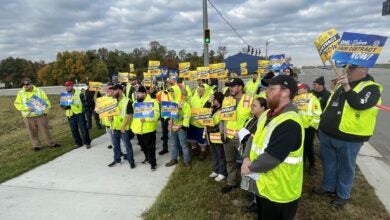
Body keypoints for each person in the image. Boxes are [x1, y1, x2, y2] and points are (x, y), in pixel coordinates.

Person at [313, 65, 382, 209]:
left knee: (346, 167)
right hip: (328, 133)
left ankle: (343, 194)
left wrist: (346, 87)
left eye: (351, 69)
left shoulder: (372, 88)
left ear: (363, 70)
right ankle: (328, 187)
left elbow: (359, 104)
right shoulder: (343, 84)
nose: (347, 71)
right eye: (346, 68)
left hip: (349, 137)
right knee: (329, 163)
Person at [241, 75, 304, 220]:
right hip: (264, 186)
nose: (266, 92)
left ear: (285, 92)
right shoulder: (266, 115)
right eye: (266, 88)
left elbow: (272, 158)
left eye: (271, 88)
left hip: (280, 193)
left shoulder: (290, 122)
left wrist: (249, 167)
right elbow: (252, 137)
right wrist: (246, 158)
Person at [221, 78, 253, 194]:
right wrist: (223, 134)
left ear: (240, 87)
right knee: (230, 161)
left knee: (247, 162)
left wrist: (246, 136)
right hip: (228, 137)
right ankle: (231, 182)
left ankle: (248, 186)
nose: (231, 88)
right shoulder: (227, 100)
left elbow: (254, 120)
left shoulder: (250, 100)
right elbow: (224, 119)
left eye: (233, 86)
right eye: (230, 86)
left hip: (242, 138)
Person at [14, 78, 60, 151]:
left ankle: (51, 143)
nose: (25, 86)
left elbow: (46, 102)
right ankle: (36, 146)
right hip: (28, 116)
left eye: (27, 84)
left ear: (31, 84)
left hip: (40, 115)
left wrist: (45, 112)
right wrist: (27, 108)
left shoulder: (39, 91)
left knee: (45, 130)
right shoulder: (20, 93)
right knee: (32, 132)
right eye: (23, 84)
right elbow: (17, 104)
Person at [240, 97, 268, 213]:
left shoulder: (263, 121)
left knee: (258, 180)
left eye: (254, 105)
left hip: (257, 158)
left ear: (263, 108)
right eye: (251, 105)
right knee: (252, 179)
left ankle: (257, 204)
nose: (251, 107)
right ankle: (254, 197)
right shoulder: (253, 119)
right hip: (249, 153)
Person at [293, 83, 322, 175]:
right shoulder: (295, 99)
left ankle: (312, 165)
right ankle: (302, 164)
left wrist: (312, 125)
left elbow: (317, 113)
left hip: (309, 127)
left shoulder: (313, 98)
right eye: (297, 89)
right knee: (300, 147)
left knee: (308, 147)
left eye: (300, 89)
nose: (298, 90)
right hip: (298, 127)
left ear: (305, 89)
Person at [131, 86, 160, 171]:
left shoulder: (153, 102)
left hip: (149, 129)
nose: (137, 95)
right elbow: (133, 115)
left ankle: (153, 163)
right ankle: (147, 158)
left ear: (144, 93)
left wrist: (146, 119)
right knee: (143, 146)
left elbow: (157, 115)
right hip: (138, 130)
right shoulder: (135, 103)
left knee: (151, 147)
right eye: (136, 93)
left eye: (139, 93)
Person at [107, 84, 135, 169]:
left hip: (124, 128)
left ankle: (131, 161)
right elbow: (110, 113)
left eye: (115, 90)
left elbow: (130, 115)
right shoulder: (113, 101)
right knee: (116, 146)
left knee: (127, 145)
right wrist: (110, 117)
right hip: (115, 127)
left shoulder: (127, 101)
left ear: (120, 91)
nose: (113, 92)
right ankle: (117, 160)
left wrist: (123, 126)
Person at [165, 86, 191, 167]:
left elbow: (187, 115)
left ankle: (187, 161)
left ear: (177, 92)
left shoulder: (183, 103)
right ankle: (174, 159)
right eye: (170, 92)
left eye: (173, 92)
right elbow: (167, 114)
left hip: (181, 127)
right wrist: (167, 120)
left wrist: (183, 126)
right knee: (173, 144)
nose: (171, 93)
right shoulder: (171, 102)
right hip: (172, 126)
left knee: (184, 145)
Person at [61, 80, 91, 149]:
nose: (67, 87)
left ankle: (87, 142)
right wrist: (64, 106)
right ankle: (78, 143)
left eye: (68, 86)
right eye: (66, 86)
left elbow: (85, 103)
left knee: (83, 128)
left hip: (79, 113)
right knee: (74, 129)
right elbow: (62, 105)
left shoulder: (79, 93)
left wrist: (83, 111)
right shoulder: (65, 94)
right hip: (70, 114)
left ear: (72, 86)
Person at [205, 92, 227, 182]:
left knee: (220, 154)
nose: (213, 101)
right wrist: (209, 101)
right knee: (214, 154)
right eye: (213, 100)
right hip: (210, 134)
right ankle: (216, 170)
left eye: (215, 100)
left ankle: (222, 172)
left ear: (219, 100)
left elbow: (221, 123)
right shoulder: (212, 108)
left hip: (217, 134)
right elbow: (203, 111)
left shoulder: (222, 110)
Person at [188, 84, 212, 160]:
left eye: (202, 89)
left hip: (202, 125)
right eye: (199, 89)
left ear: (206, 90)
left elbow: (210, 110)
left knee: (202, 139)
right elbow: (189, 107)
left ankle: (202, 152)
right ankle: (194, 149)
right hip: (193, 122)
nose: (200, 90)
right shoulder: (193, 98)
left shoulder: (209, 98)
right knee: (192, 138)